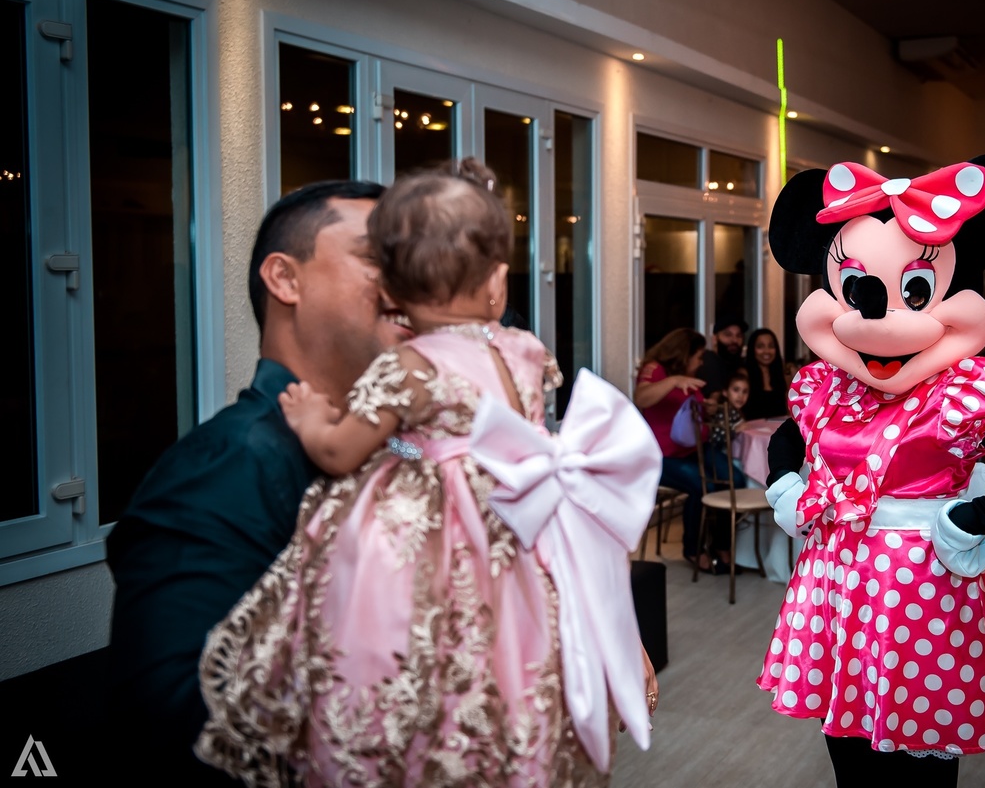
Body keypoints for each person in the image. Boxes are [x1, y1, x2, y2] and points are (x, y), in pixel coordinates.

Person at [194, 159, 659, 786]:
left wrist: (310, 419)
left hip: (438, 545)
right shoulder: (523, 352)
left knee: (418, 656)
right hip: (516, 542)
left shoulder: (411, 366)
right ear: (494, 284)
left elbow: (340, 453)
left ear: (392, 290)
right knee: (509, 659)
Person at [762, 157, 985, 786]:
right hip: (835, 594)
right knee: (851, 764)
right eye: (858, 289)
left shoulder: (963, 397)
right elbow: (787, 440)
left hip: (919, 606)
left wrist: (969, 517)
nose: (879, 320)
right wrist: (785, 486)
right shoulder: (833, 388)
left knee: (919, 776)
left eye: (913, 290)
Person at [105, 180, 399, 783]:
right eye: (379, 259)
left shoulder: (396, 445)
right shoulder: (228, 463)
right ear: (285, 280)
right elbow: (186, 727)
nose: (412, 284)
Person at [634, 327, 735, 573]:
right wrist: (673, 381)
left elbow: (691, 410)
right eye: (698, 356)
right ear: (684, 353)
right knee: (703, 486)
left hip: (692, 450)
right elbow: (641, 398)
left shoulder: (688, 378)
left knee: (733, 480)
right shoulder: (657, 370)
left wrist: (707, 409)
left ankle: (721, 545)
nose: (700, 363)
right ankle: (693, 549)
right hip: (660, 458)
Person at [694, 314, 747, 402]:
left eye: (739, 336)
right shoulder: (709, 361)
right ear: (715, 339)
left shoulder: (740, 365)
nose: (734, 340)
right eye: (728, 335)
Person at [743, 327, 788, 420]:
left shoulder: (783, 375)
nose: (766, 351)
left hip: (778, 431)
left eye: (771, 346)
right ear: (752, 349)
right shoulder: (744, 374)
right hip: (751, 432)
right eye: (760, 346)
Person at [707, 372, 750, 455]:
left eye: (745, 392)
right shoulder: (723, 413)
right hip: (718, 456)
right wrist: (734, 431)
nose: (740, 396)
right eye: (736, 390)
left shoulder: (736, 412)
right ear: (725, 392)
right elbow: (715, 438)